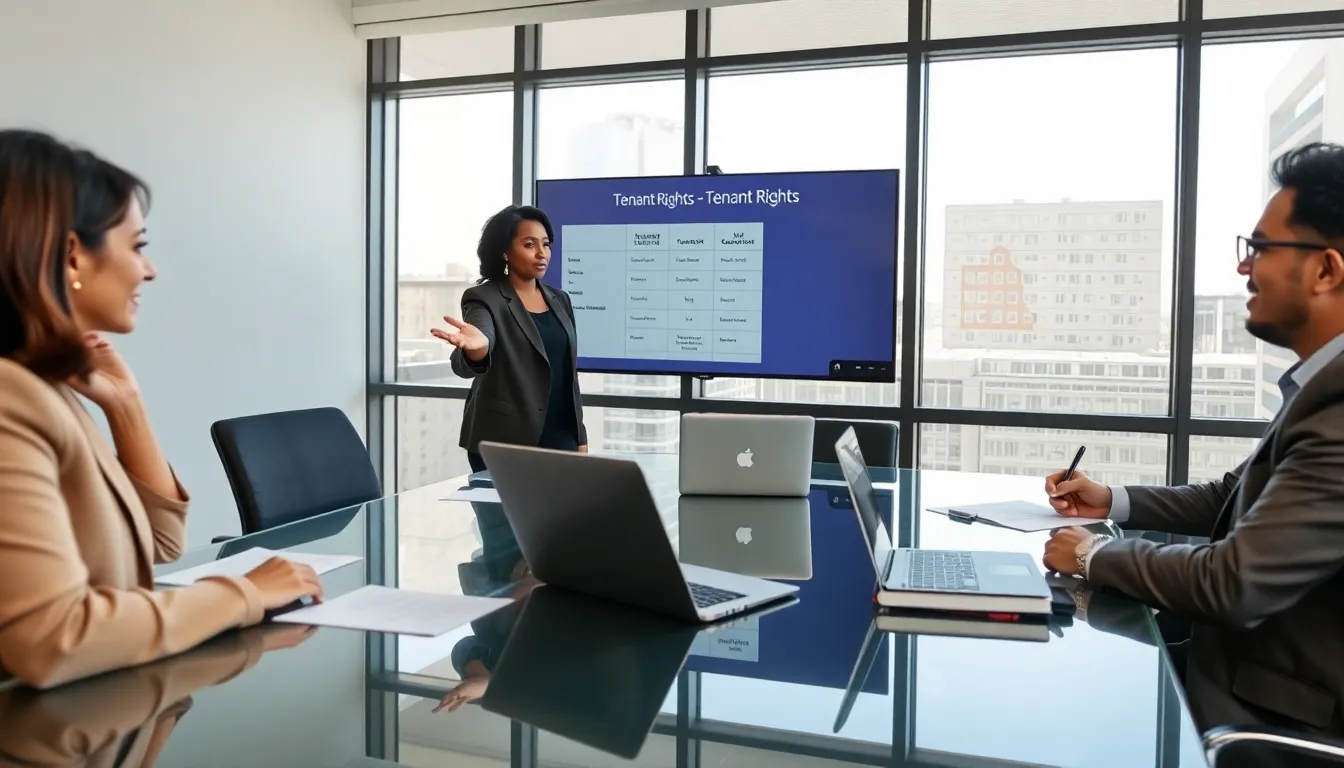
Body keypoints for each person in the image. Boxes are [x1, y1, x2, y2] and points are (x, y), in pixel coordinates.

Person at [0, 130, 323, 689]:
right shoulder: (13, 398)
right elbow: (52, 638)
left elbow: (156, 545)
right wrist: (244, 594)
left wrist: (127, 408)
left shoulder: (45, 389)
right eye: (137, 246)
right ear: (73, 254)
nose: (148, 271)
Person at [1042, 142, 1344, 740]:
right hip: (1227, 673)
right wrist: (1111, 501)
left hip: (1268, 726)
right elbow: (1230, 497)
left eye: (1261, 248)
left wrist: (1091, 555)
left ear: (1325, 270)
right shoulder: (1320, 385)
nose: (1244, 268)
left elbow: (1232, 582)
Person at [432, 205, 587, 473]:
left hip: (562, 436)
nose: (542, 253)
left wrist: (580, 437)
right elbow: (471, 352)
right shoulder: (484, 297)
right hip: (504, 439)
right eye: (529, 244)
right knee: (505, 505)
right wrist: (478, 349)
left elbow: (569, 376)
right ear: (504, 251)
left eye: (546, 244)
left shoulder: (560, 299)